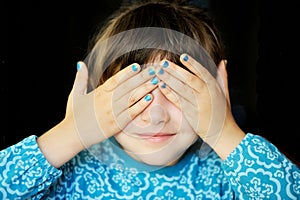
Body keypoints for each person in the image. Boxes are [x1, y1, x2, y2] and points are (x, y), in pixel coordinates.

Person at [1, 0, 299, 199]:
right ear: (96, 95)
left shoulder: (228, 179)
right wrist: (70, 135)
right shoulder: (68, 174)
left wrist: (224, 133)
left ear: (218, 94)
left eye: (179, 90)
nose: (155, 115)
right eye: (133, 92)